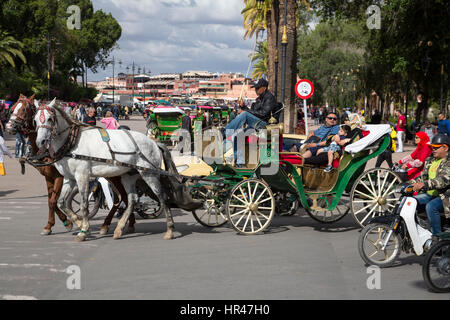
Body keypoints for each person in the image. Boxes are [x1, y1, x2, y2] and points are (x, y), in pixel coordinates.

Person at [224, 78, 278, 167]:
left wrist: (245, 111)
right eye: (255, 88)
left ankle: (225, 132)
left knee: (245, 114)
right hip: (257, 123)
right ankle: (240, 163)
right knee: (238, 136)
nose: (256, 90)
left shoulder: (270, 98)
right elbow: (253, 113)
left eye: (257, 88)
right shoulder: (259, 99)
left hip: (265, 125)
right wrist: (244, 107)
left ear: (264, 88)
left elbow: (263, 114)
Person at [411, 134, 450, 235]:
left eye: (436, 147)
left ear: (445, 148)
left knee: (431, 206)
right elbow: (422, 177)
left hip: (446, 197)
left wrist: (424, 184)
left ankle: (437, 237)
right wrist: (408, 184)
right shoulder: (430, 160)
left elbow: (444, 180)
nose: (433, 149)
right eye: (432, 147)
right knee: (411, 202)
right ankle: (420, 231)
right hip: (431, 194)